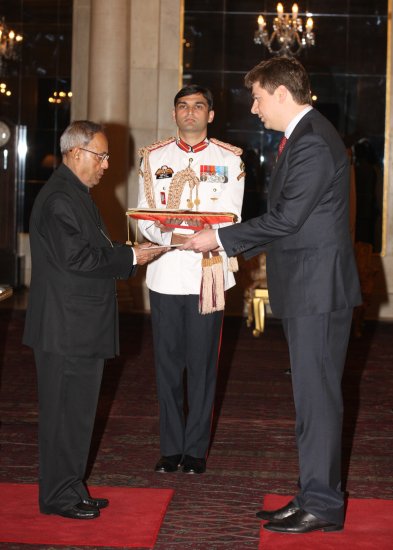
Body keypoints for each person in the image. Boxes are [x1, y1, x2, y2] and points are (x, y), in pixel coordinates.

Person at [182, 58, 362, 533]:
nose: (255, 108)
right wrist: (231, 239)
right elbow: (287, 218)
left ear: (282, 94)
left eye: (259, 97)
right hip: (310, 290)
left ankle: (322, 505)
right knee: (311, 399)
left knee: (318, 400)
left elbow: (285, 220)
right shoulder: (303, 139)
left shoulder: (313, 143)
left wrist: (219, 239)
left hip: (318, 293)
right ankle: (312, 493)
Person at [23, 120, 162, 520]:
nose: (106, 164)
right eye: (101, 156)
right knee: (63, 416)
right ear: (75, 153)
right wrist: (133, 257)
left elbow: (90, 249)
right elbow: (78, 258)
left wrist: (129, 251)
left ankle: (70, 486)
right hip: (65, 329)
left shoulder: (76, 194)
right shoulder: (60, 198)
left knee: (77, 415)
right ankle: (57, 495)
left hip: (77, 327)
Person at [137, 85, 245, 474]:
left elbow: (233, 217)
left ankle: (195, 449)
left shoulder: (229, 160)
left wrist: (203, 236)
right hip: (166, 272)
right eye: (183, 106)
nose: (190, 113)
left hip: (207, 273)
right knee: (167, 365)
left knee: (202, 365)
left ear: (210, 115)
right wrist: (172, 237)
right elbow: (146, 218)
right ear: (174, 114)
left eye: (199, 106)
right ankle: (170, 447)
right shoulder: (154, 158)